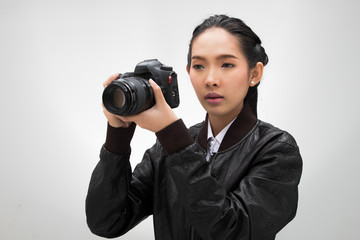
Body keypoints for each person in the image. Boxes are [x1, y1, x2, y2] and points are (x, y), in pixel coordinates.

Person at [86, 14, 302, 240]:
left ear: (254, 73)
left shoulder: (277, 150)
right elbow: (106, 222)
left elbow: (232, 231)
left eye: (226, 64)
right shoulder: (166, 149)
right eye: (199, 66)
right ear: (188, 72)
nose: (210, 79)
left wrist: (173, 137)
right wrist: (117, 136)